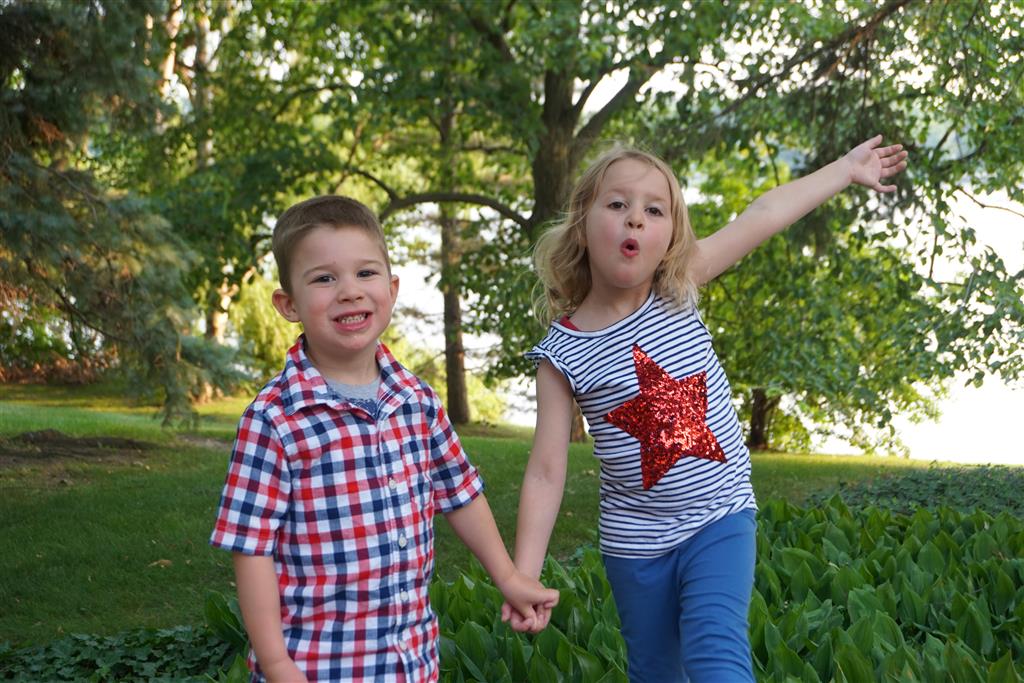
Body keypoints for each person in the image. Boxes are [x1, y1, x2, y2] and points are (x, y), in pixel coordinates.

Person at [503, 136, 908, 682]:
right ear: (581, 225)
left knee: (716, 657)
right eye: (617, 204)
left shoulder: (678, 287)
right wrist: (524, 574)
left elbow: (764, 214)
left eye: (654, 210)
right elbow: (547, 471)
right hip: (634, 545)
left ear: (671, 236)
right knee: (656, 673)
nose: (635, 219)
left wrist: (843, 169)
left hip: (719, 516)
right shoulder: (562, 353)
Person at [210, 195, 558, 683]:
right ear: (289, 305)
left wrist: (509, 577)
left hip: (410, 663)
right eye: (324, 278)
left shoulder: (417, 401)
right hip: (317, 666)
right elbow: (251, 548)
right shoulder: (275, 419)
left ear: (392, 290)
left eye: (365, 273)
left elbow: (461, 494)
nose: (349, 291)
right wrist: (276, 663)